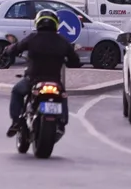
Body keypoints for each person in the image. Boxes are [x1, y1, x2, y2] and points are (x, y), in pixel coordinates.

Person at [5, 9, 81, 138]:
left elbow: (16, 47)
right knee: (62, 96)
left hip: (33, 80)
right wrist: (69, 61)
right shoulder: (63, 41)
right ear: (56, 23)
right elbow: (75, 61)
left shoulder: (33, 38)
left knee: (17, 92)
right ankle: (62, 122)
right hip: (55, 81)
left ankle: (16, 122)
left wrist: (8, 49)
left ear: (37, 22)